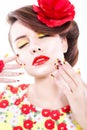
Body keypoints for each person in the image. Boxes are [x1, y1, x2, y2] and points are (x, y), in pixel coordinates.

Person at [0, 0, 87, 129]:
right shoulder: (5, 99)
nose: (34, 48)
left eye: (43, 35)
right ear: (18, 58)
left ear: (64, 43)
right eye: (22, 44)